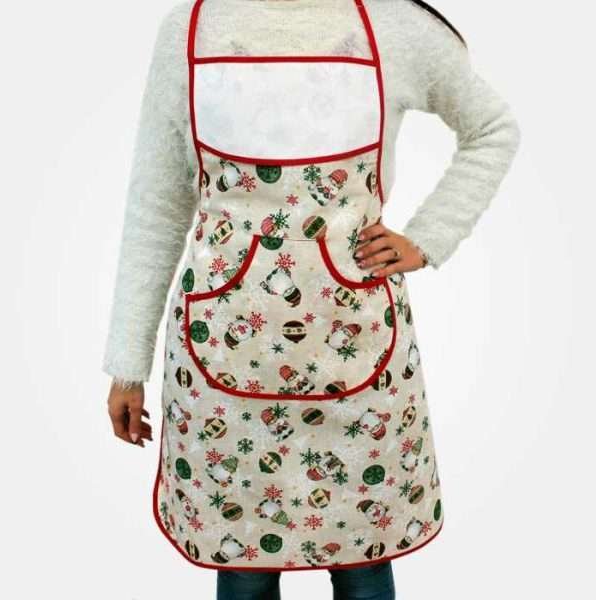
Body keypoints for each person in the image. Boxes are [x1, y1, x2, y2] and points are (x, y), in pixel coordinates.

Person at [102, 1, 521, 598]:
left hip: (359, 357)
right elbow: (158, 201)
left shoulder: (389, 23)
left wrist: (429, 237)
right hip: (223, 366)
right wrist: (127, 362)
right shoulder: (191, 29)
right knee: (243, 568)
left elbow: (492, 129)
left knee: (364, 567)